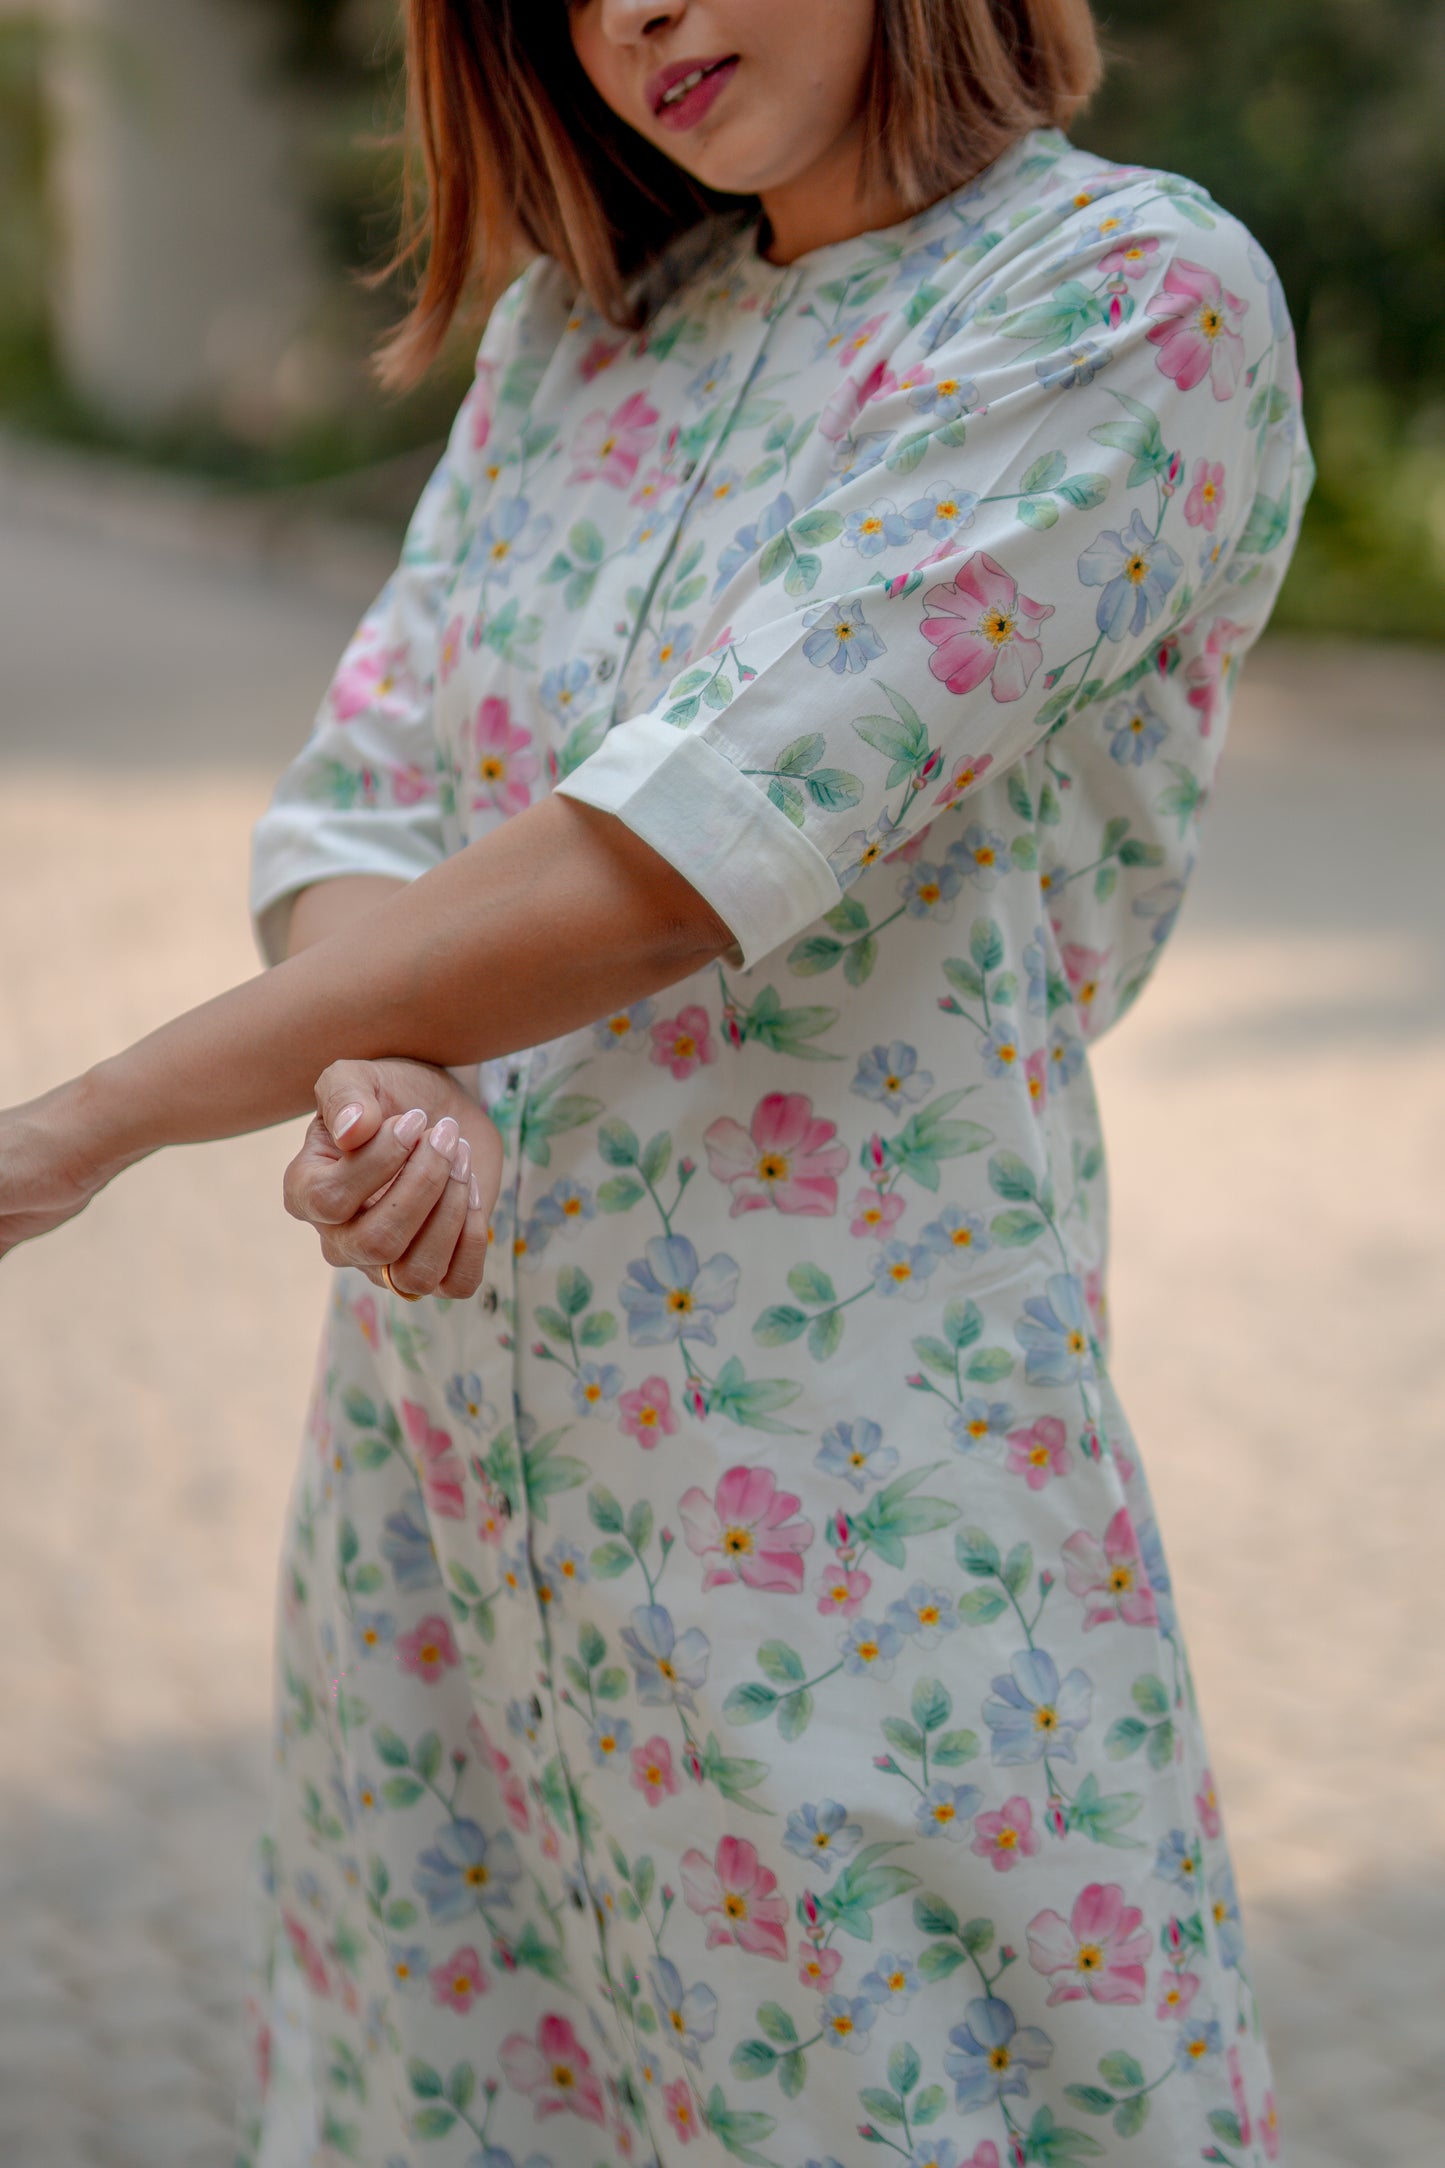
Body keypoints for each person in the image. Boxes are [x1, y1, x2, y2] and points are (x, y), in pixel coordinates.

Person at [0, 0, 1312, 2161]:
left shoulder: (1127, 303)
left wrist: (89, 1121)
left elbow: (682, 847)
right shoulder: (576, 346)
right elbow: (365, 807)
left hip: (845, 1553)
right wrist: (385, 1075)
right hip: (440, 1534)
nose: (641, 16)